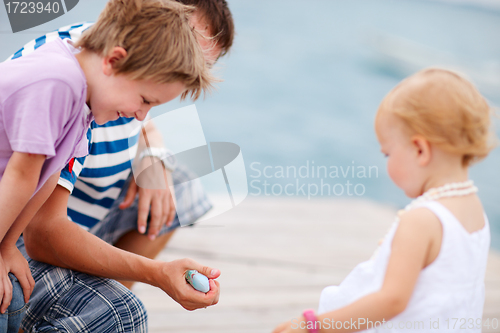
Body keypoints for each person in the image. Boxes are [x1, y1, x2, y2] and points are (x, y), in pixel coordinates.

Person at [6, 1, 234, 332]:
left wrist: (153, 153)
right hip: (25, 230)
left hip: (39, 224)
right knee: (119, 312)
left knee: (178, 187)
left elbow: (48, 175)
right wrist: (157, 273)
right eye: (188, 45)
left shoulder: (102, 82)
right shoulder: (64, 85)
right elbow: (31, 200)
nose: (191, 66)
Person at [273, 68, 494, 333]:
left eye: (388, 153)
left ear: (420, 150)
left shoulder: (421, 220)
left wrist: (313, 326)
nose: (386, 163)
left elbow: (391, 301)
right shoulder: (475, 210)